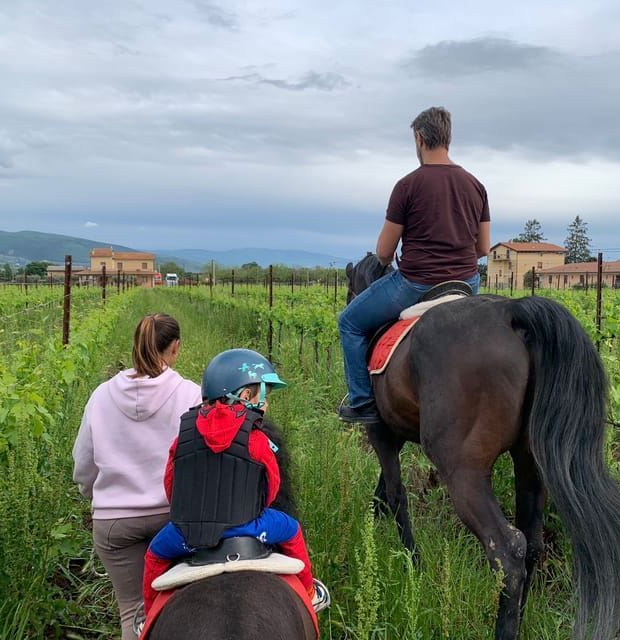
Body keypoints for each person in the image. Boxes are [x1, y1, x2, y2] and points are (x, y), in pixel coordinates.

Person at [142, 348, 329, 616]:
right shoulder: (257, 436)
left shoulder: (184, 434)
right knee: (291, 530)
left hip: (190, 533)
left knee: (154, 555)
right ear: (245, 396)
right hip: (249, 525)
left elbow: (172, 486)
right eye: (263, 395)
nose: (266, 404)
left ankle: (148, 615)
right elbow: (271, 487)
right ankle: (310, 593)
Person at [338, 106, 491, 423]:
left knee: (349, 322)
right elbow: (483, 248)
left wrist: (390, 259)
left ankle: (362, 402)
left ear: (420, 138)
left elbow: (384, 252)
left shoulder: (407, 186)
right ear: (447, 137)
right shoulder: (476, 185)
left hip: (416, 283)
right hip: (466, 283)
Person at [72, 313, 202, 640]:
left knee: (133, 610)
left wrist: (99, 496)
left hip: (114, 523)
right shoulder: (191, 395)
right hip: (173, 518)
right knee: (183, 605)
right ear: (175, 347)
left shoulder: (101, 395)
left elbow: (83, 465)